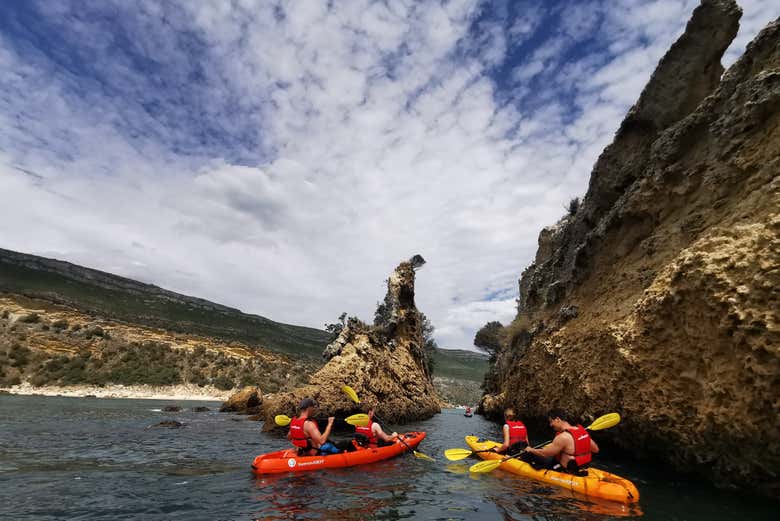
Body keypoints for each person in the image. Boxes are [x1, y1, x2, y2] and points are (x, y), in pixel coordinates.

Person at [523, 408, 599, 474]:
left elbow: (544, 454)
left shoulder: (562, 437)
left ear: (558, 419)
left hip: (565, 469)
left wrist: (531, 449)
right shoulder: (582, 432)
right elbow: (595, 450)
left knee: (530, 454)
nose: (550, 424)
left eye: (551, 421)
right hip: (583, 467)